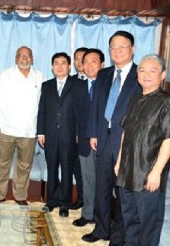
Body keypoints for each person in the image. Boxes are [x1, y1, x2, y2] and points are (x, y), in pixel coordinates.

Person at [115, 54, 170, 246]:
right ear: (137, 74)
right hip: (127, 172)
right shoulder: (134, 100)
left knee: (148, 225)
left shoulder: (168, 104)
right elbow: (125, 133)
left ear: (163, 75)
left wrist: (156, 173)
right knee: (130, 221)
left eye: (153, 70)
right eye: (142, 70)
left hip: (148, 175)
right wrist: (119, 162)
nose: (146, 74)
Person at [83, 31, 142, 244]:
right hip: (102, 138)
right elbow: (96, 107)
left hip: (126, 142)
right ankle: (101, 229)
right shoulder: (104, 74)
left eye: (122, 46)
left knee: (123, 192)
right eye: (113, 47)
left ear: (132, 49)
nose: (117, 51)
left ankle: (119, 236)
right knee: (102, 187)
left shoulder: (140, 75)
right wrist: (92, 133)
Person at [0, 46, 45, 206]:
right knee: (2, 164)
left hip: (29, 130)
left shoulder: (39, 76)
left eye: (27, 55)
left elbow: (43, 105)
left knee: (24, 166)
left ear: (32, 58)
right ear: (15, 58)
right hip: (5, 128)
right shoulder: (5, 76)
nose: (24, 58)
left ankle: (20, 196)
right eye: (20, 55)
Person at [37, 52, 79, 217]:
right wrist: (40, 132)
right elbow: (42, 111)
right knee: (52, 168)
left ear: (69, 66)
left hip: (70, 135)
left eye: (63, 63)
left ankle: (65, 204)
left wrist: (78, 133)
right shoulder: (46, 86)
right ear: (52, 67)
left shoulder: (77, 84)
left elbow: (81, 112)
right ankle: (51, 201)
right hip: (50, 134)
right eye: (56, 63)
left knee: (67, 169)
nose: (60, 66)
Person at [72, 48, 105, 226]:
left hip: (106, 141)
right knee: (88, 179)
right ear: (82, 66)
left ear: (102, 64)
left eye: (94, 61)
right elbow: (75, 114)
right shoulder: (77, 86)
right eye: (86, 62)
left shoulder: (109, 85)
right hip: (84, 141)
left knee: (105, 182)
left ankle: (103, 218)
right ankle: (88, 214)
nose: (90, 65)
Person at [70, 46, 88, 210]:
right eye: (76, 58)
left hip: (90, 138)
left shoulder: (98, 81)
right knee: (77, 169)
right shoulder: (70, 81)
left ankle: (91, 204)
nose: (79, 62)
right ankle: (81, 199)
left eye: (83, 58)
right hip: (72, 136)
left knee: (90, 173)